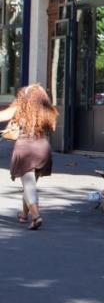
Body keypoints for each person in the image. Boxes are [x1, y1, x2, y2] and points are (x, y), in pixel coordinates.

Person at [1, 85, 56, 230]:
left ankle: (36, 216)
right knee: (30, 184)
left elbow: (2, 116)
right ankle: (24, 215)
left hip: (25, 149)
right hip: (43, 148)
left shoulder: (21, 107)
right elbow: (52, 128)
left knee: (29, 185)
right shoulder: (46, 111)